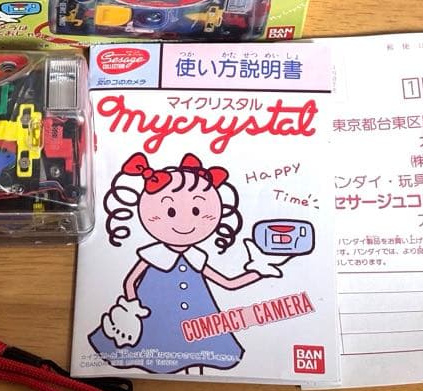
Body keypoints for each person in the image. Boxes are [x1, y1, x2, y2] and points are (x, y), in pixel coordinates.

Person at [88, 152, 283, 374]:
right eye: (170, 211)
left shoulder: (196, 258)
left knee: (200, 358)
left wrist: (259, 270)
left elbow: (228, 283)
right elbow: (130, 282)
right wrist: (131, 308)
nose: (184, 223)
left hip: (199, 320)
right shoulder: (154, 254)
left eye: (196, 210)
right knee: (156, 353)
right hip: (151, 316)